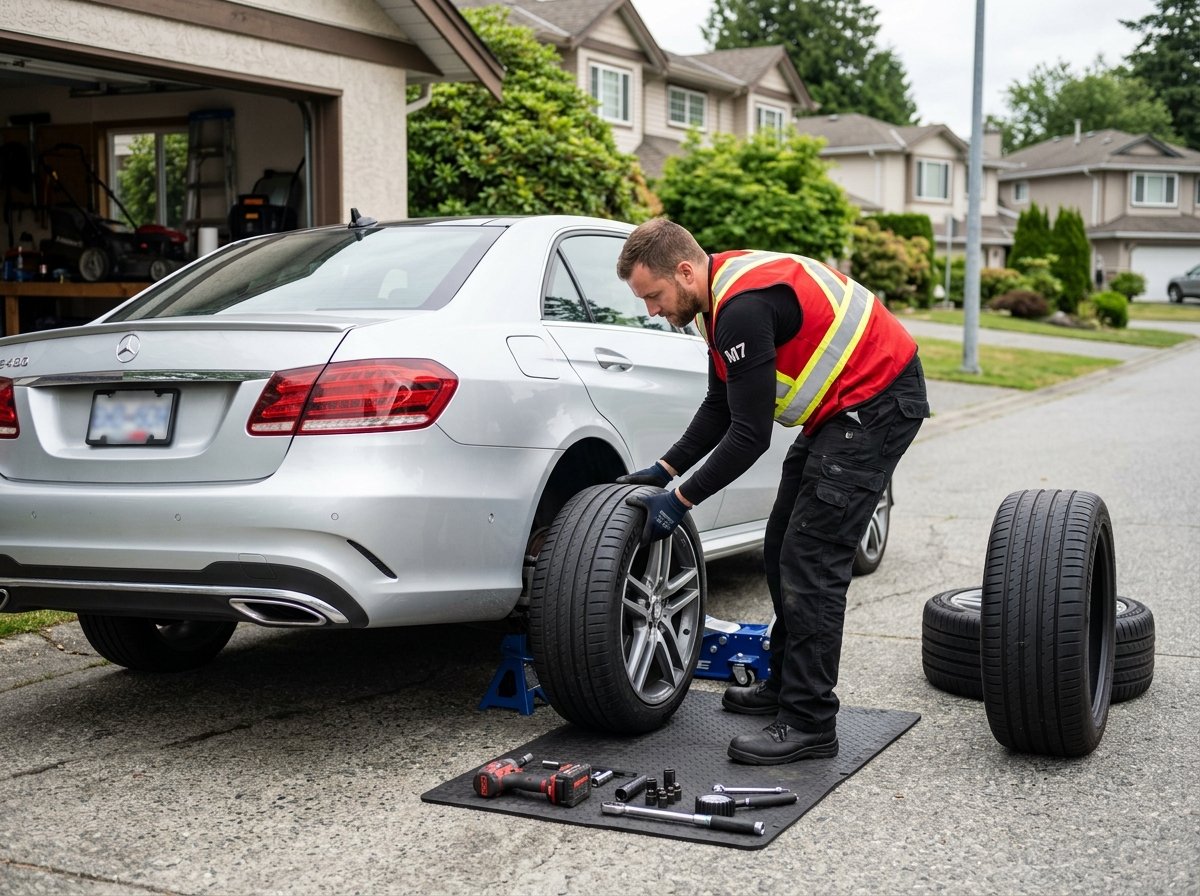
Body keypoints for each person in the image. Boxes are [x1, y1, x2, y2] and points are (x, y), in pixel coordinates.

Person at [615, 218, 929, 766]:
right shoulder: (717, 302)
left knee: (812, 558)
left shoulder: (742, 307)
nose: (652, 311)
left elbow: (750, 435)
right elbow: (721, 406)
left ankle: (810, 722)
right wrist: (662, 471)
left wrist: (681, 501)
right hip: (842, 410)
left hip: (877, 402)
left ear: (684, 271)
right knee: (782, 542)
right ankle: (785, 687)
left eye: (655, 296)